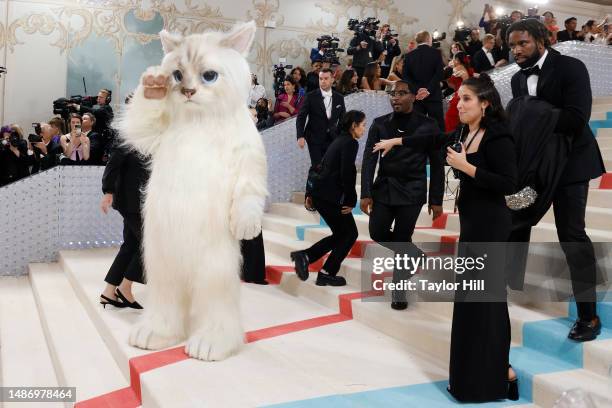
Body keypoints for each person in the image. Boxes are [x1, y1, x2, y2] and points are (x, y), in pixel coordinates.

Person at [372, 74, 519, 402]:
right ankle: (478, 376)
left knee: (487, 302)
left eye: (466, 99)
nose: (459, 104)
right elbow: (429, 139)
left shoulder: (498, 136)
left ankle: (499, 375)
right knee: (473, 303)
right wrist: (394, 142)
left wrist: (467, 168)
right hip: (472, 225)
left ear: (485, 103)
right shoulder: (466, 132)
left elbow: (509, 183)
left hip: (491, 226)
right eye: (457, 99)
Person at [507, 19, 606, 341]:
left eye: (522, 43)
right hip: (534, 169)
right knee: (514, 218)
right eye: (512, 45)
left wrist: (531, 112)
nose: (516, 50)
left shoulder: (570, 67)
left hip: (570, 168)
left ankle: (588, 316)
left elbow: (577, 118)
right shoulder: (518, 80)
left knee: (572, 235)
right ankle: (511, 283)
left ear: (541, 40)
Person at [362, 81, 444, 310]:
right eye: (392, 93)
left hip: (413, 190)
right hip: (384, 188)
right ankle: (415, 255)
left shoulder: (429, 125)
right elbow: (369, 160)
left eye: (401, 93)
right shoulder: (379, 124)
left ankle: (399, 289)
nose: (395, 98)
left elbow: (438, 165)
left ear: (414, 97)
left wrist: (436, 199)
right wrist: (366, 192)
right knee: (377, 232)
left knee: (401, 238)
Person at [290, 110, 365, 287]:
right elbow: (347, 172)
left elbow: (321, 167)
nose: (364, 129)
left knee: (342, 234)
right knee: (349, 234)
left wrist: (310, 194)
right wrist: (350, 200)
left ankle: (308, 258)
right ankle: (325, 271)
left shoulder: (338, 140)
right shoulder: (350, 143)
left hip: (321, 195)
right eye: (362, 125)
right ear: (353, 126)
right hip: (330, 197)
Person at [100, 143, 150, 310]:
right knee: (151, 245)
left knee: (131, 245)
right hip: (132, 202)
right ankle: (125, 286)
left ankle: (109, 291)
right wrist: (108, 191)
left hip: (141, 201)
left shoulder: (151, 135)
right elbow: (113, 163)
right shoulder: (129, 134)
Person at [296, 68, 346, 166]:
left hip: (333, 138)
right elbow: (301, 117)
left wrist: (341, 136)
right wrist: (300, 136)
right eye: (321, 79)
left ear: (332, 79)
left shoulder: (339, 98)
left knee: (331, 167)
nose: (323, 81)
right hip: (314, 138)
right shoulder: (310, 96)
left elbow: (343, 119)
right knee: (318, 167)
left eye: (326, 78)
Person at [402, 31, 445, 131]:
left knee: (417, 127)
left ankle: (418, 146)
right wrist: (428, 90)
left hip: (417, 98)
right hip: (434, 96)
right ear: (428, 39)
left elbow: (405, 77)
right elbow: (439, 74)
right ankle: (440, 146)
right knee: (438, 125)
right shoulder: (436, 53)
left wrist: (417, 90)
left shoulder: (409, 56)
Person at [445, 52, 474, 132]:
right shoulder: (466, 67)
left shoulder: (456, 68)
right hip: (469, 90)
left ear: (457, 60)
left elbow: (452, 84)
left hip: (461, 92)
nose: (452, 60)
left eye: (454, 59)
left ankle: (452, 134)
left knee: (451, 115)